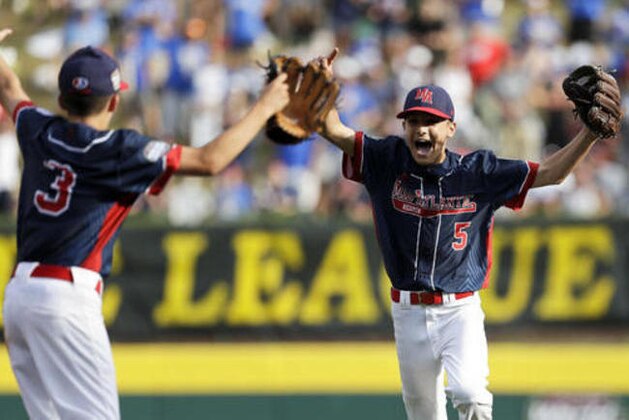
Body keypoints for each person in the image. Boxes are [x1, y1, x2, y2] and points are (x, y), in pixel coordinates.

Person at [0, 28, 288, 419]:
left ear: (64, 96)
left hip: (19, 299)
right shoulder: (119, 150)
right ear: (114, 101)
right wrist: (265, 105)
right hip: (66, 298)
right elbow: (210, 161)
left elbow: (7, 83)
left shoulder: (38, 129)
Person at [317, 49, 604, 420]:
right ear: (404, 127)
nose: (422, 129)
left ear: (450, 128)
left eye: (432, 121)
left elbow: (551, 173)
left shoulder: (478, 171)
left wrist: (589, 135)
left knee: (470, 394)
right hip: (407, 310)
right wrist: (324, 88)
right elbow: (331, 128)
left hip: (460, 309)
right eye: (414, 121)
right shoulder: (385, 160)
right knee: (423, 414)